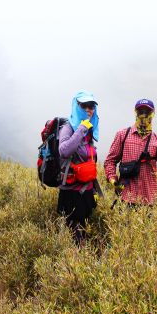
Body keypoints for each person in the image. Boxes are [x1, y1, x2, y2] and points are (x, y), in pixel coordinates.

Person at [104, 98, 157, 206]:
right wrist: (113, 180)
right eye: (140, 112)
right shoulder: (122, 135)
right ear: (135, 113)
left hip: (149, 199)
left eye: (147, 112)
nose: (143, 115)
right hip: (126, 197)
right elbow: (110, 161)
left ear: (153, 114)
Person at [58, 90, 101, 245]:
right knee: (73, 234)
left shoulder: (90, 130)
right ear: (77, 106)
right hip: (71, 194)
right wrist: (81, 129)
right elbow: (63, 151)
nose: (89, 110)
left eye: (91, 106)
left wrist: (95, 190)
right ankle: (74, 264)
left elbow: (90, 160)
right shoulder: (68, 128)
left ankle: (83, 260)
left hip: (86, 192)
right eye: (85, 105)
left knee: (84, 230)